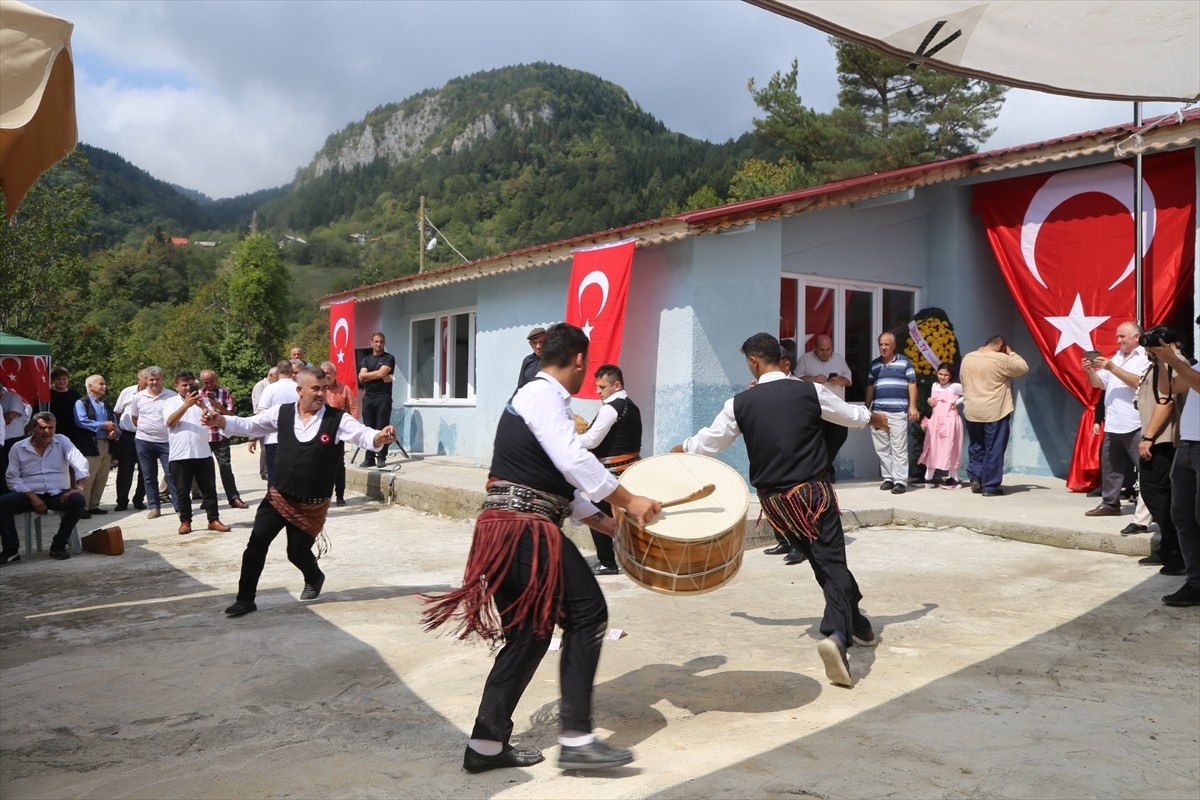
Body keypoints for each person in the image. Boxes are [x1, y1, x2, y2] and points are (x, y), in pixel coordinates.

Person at [422, 323, 661, 773]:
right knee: (588, 615)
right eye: (584, 367)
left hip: (507, 527)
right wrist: (630, 499)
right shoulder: (543, 395)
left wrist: (614, 526)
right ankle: (577, 739)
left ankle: (486, 747)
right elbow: (574, 459)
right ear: (577, 360)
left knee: (530, 637)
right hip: (524, 527)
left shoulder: (534, 399)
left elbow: (562, 489)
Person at [672, 332, 888, 688]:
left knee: (822, 562)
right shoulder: (810, 391)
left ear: (754, 362)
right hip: (811, 495)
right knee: (832, 563)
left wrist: (678, 449)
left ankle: (859, 624)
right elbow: (850, 415)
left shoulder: (739, 403)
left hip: (777, 506)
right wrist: (875, 418)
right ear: (780, 359)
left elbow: (708, 443)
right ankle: (837, 635)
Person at [206, 366, 397, 617]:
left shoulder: (337, 419)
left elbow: (362, 435)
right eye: (315, 389)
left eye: (325, 388)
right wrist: (220, 420)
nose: (321, 394)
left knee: (295, 552)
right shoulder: (282, 413)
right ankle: (245, 599)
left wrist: (380, 437)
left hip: (311, 504)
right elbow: (250, 425)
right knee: (256, 545)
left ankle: (314, 576)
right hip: (278, 496)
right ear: (300, 390)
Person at [1147, 336, 1200, 607]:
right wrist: (1161, 363)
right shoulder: (1198, 364)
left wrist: (1174, 361)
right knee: (1182, 516)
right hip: (1188, 444)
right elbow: (1169, 390)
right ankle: (1195, 584)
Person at [0, 411, 89, 564]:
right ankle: (11, 550)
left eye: (50, 428)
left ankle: (58, 544)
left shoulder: (62, 441)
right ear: (33, 428)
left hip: (58, 493)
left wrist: (79, 487)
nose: (47, 431)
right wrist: (33, 497)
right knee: (3, 503)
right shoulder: (18, 447)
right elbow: (12, 478)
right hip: (29, 494)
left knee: (78, 501)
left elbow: (80, 462)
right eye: (42, 428)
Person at [577, 363, 641, 575]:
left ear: (617, 384)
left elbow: (592, 440)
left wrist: (568, 439)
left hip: (610, 473)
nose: (598, 391)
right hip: (631, 470)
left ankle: (607, 563)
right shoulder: (632, 406)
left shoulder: (610, 408)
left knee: (598, 515)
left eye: (602, 387)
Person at [1082, 322, 1149, 516]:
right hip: (1113, 422)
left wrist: (1112, 368)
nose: (1118, 340)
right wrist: (1089, 371)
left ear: (1136, 337)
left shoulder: (1145, 356)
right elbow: (1099, 383)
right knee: (1111, 468)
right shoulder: (1117, 356)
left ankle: (1149, 508)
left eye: (1123, 337)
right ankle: (1109, 503)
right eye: (1117, 337)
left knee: (1144, 468)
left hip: (1135, 422)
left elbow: (1140, 382)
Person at [1132, 352, 1184, 575]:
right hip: (1155, 438)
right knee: (1153, 493)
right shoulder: (1157, 365)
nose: (1146, 348)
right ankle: (1167, 547)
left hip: (1163, 439)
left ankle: (1177, 553)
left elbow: (1167, 400)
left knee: (1160, 495)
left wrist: (1149, 437)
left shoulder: (1172, 363)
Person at [959, 335, 1030, 496]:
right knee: (994, 448)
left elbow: (963, 381)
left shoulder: (968, 358)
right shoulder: (999, 359)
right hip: (994, 410)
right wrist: (1011, 353)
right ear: (1000, 346)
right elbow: (1023, 367)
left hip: (972, 410)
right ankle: (990, 486)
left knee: (976, 446)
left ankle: (976, 477)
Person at [164, 372, 232, 536]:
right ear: (176, 386)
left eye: (190, 384)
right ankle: (185, 521)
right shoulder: (170, 402)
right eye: (184, 385)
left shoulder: (204, 401)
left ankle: (213, 519)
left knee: (209, 489)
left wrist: (202, 406)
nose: (188, 388)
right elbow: (169, 422)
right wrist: (186, 405)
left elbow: (213, 420)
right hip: (180, 454)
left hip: (202, 451)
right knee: (182, 491)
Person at [864, 332, 918, 494]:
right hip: (879, 412)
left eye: (886, 344)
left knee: (899, 448)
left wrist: (912, 406)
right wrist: (866, 409)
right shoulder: (875, 365)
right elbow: (870, 387)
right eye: (881, 344)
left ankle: (900, 481)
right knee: (882, 448)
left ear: (893, 346)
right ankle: (888, 478)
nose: (883, 347)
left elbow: (912, 384)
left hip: (898, 412)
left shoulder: (905, 363)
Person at [797, 334, 854, 477]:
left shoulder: (839, 359)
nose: (826, 353)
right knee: (818, 440)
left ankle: (824, 467)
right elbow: (796, 380)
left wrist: (842, 380)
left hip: (837, 407)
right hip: (815, 408)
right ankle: (825, 471)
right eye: (822, 350)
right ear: (814, 348)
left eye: (828, 350)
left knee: (840, 435)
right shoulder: (805, 359)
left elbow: (849, 378)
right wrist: (813, 379)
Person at [130, 366, 180, 519]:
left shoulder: (171, 396)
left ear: (162, 379)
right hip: (144, 441)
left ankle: (179, 506)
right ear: (146, 380)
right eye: (151, 379)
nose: (154, 382)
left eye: (157, 379)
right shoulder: (138, 397)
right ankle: (154, 507)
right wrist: (147, 430)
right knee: (148, 475)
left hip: (166, 441)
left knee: (172, 473)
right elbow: (134, 417)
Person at [198, 370, 248, 510]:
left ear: (216, 379)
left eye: (211, 381)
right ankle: (208, 500)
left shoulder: (224, 392)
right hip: (203, 436)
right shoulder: (197, 395)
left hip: (220, 435)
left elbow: (232, 414)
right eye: (205, 382)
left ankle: (233, 498)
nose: (208, 385)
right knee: (205, 471)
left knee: (225, 467)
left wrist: (218, 406)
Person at [71, 374, 119, 517]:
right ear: (90, 386)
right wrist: (103, 425)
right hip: (90, 444)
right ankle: (82, 508)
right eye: (101, 384)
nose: (104, 386)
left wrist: (115, 432)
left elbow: (115, 422)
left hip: (106, 444)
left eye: (104, 383)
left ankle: (94, 505)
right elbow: (82, 421)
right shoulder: (82, 403)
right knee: (88, 476)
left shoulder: (106, 403)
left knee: (102, 476)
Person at [918, 363, 965, 488]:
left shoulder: (955, 386)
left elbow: (970, 393)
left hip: (950, 421)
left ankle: (954, 478)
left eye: (946, 375)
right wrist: (929, 400)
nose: (943, 377)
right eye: (940, 374)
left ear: (950, 376)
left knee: (950, 448)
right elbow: (933, 399)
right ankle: (928, 478)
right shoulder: (935, 385)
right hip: (936, 421)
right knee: (932, 447)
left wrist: (957, 402)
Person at [321, 361, 359, 506]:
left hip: (337, 433)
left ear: (334, 374)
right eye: (323, 373)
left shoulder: (344, 389)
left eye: (328, 373)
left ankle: (340, 496)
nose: (326, 376)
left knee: (338, 465)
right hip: (320, 433)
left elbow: (353, 408)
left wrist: (352, 429)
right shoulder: (319, 390)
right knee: (321, 465)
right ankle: (323, 496)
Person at [254, 360, 297, 486]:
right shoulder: (299, 388)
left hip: (273, 438)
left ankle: (274, 504)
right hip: (295, 438)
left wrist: (253, 437)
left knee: (273, 477)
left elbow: (261, 414)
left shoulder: (270, 389)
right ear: (291, 371)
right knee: (293, 475)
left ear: (277, 372)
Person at [358, 332, 395, 468]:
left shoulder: (389, 358)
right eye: (376, 341)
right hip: (368, 397)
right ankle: (369, 458)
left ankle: (381, 457)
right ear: (371, 343)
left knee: (382, 427)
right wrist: (379, 375)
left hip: (383, 397)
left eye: (381, 342)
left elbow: (379, 373)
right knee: (368, 428)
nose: (379, 344)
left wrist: (369, 375)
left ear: (384, 343)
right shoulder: (366, 359)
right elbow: (361, 378)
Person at [112, 371, 147, 511]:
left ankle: (139, 499)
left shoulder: (154, 394)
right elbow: (117, 411)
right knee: (125, 470)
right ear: (138, 379)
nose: (148, 380)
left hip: (146, 435)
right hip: (128, 436)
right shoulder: (127, 392)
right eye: (145, 377)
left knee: (145, 470)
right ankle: (122, 500)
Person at [0, 380, 30, 495]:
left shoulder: (13, 397)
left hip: (13, 439)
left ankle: (12, 493)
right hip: (3, 440)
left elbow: (9, 417)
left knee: (12, 468)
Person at [251, 366, 279, 480]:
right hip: (262, 418)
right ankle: (265, 472)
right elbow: (261, 405)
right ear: (271, 376)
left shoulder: (273, 386)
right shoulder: (261, 386)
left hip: (273, 419)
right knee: (265, 447)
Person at [48, 367, 83, 449]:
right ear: (53, 380)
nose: (62, 381)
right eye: (58, 379)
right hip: (56, 429)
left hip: (73, 430)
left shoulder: (75, 394)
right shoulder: (49, 395)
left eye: (64, 379)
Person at [515, 327, 546, 391]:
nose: (538, 346)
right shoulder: (527, 360)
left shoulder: (553, 360)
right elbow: (520, 386)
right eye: (535, 343)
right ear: (530, 344)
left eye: (541, 342)